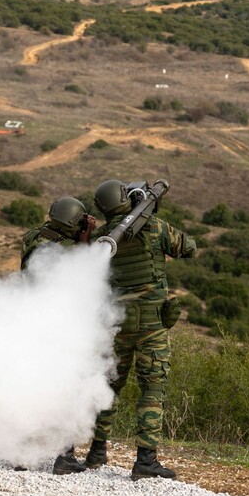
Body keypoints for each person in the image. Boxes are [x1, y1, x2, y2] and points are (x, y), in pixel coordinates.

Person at [83, 179, 196, 480]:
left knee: (108, 389)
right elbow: (189, 247)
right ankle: (145, 461)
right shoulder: (155, 228)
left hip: (116, 324)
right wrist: (150, 211)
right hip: (151, 325)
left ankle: (96, 452)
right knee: (151, 389)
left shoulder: (101, 239)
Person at [19, 196, 97, 475]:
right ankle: (65, 456)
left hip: (29, 321)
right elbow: (82, 267)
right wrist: (86, 239)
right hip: (56, 326)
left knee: (32, 387)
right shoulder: (61, 249)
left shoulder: (34, 237)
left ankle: (22, 454)